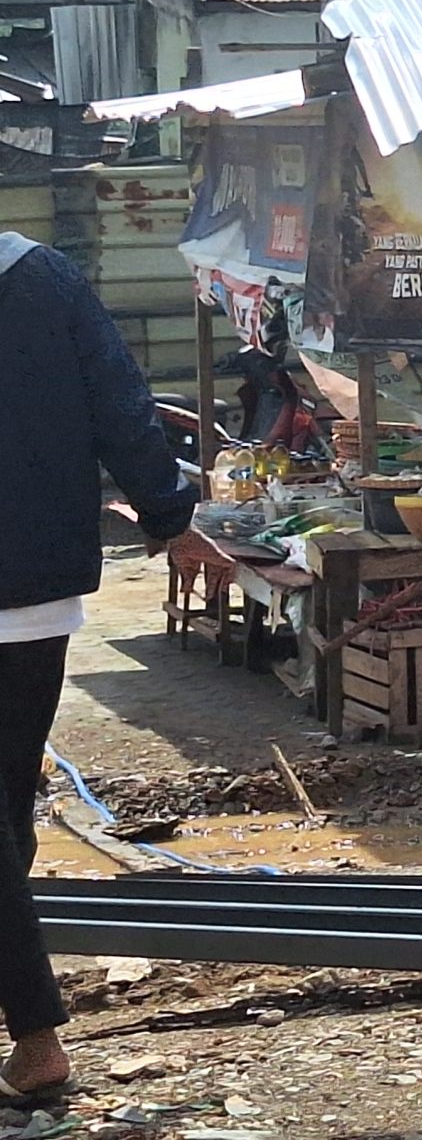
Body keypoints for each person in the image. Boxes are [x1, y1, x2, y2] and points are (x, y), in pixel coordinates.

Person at [0, 232, 194, 1101]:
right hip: (35, 590)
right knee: (8, 804)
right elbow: (122, 405)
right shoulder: (39, 275)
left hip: (32, 588)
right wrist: (168, 513)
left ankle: (37, 1036)